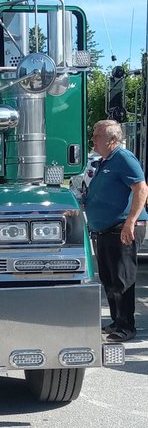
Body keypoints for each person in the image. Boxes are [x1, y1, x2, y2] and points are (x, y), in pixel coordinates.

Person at [84, 120, 148, 342]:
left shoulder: (123, 158)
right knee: (109, 278)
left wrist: (130, 221)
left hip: (122, 227)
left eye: (97, 135)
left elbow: (141, 188)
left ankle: (126, 326)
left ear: (112, 139)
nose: (93, 139)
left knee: (122, 279)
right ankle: (117, 321)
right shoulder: (105, 161)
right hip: (106, 229)